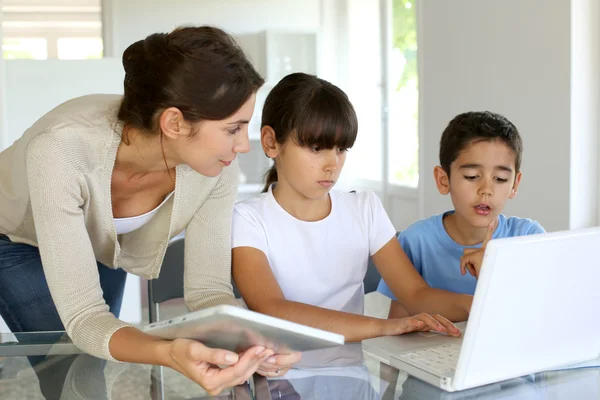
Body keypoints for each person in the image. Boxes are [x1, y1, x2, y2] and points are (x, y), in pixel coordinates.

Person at [0, 25, 298, 396]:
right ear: (173, 123)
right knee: (71, 364)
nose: (243, 146)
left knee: (96, 361)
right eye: (232, 129)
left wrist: (249, 342)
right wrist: (168, 354)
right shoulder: (61, 150)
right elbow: (84, 317)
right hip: (12, 237)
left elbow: (208, 290)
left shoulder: (217, 172)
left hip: (101, 243)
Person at [231, 73, 472, 348]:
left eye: (341, 148)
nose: (332, 164)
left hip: (353, 378)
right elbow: (273, 309)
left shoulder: (364, 209)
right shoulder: (248, 219)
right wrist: (385, 327)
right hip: (280, 376)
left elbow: (415, 294)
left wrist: (479, 305)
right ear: (271, 142)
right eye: (316, 147)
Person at [377, 111, 545, 318]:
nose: (486, 189)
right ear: (443, 179)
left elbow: (541, 314)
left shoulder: (529, 238)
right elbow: (401, 324)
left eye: (500, 179)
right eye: (472, 176)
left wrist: (492, 275)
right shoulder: (416, 241)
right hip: (434, 350)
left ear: (514, 184)